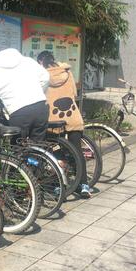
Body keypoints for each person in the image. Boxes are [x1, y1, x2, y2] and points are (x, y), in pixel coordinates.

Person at [37, 51, 91, 198]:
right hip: (73, 116)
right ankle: (84, 185)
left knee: (54, 152)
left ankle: (59, 186)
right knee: (77, 150)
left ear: (41, 62)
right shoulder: (67, 72)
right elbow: (74, 93)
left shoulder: (42, 75)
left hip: (54, 120)